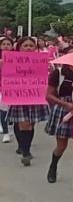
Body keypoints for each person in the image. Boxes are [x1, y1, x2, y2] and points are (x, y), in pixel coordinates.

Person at [45, 46, 73, 191]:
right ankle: (53, 166)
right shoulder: (58, 73)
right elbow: (49, 95)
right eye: (72, 54)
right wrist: (65, 104)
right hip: (63, 109)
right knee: (61, 146)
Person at [7, 37, 50, 166]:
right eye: (25, 46)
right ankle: (25, 151)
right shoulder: (11, 60)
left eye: (31, 46)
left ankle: (26, 147)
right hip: (18, 96)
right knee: (22, 124)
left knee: (31, 124)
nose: (28, 48)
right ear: (19, 47)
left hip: (35, 96)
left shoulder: (40, 61)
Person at [0, 36, 13, 143]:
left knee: (13, 110)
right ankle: (5, 132)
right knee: (3, 110)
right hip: (2, 88)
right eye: (4, 44)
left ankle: (10, 127)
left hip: (16, 88)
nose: (6, 46)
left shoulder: (18, 58)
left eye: (8, 44)